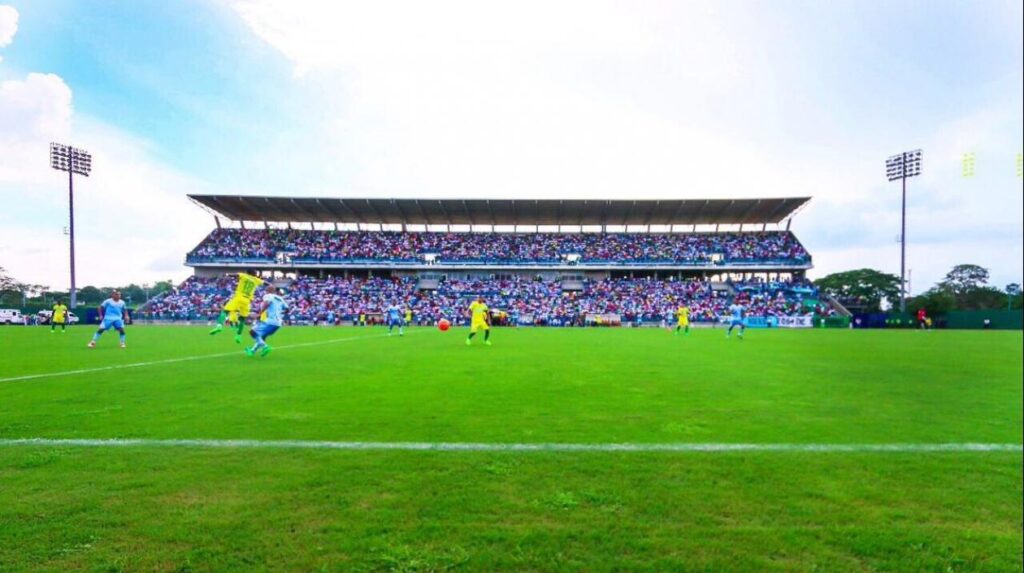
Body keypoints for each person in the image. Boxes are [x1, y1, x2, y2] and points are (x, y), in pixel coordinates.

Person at [210, 272, 265, 343]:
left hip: (238, 297)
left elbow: (235, 275)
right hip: (247, 301)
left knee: (225, 311)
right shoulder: (256, 280)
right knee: (242, 319)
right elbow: (266, 283)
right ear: (254, 273)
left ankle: (219, 326)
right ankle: (238, 336)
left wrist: (227, 274)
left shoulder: (244, 275)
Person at [246, 285, 287, 357]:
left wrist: (259, 314)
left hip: (270, 321)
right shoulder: (280, 298)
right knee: (262, 336)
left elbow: (267, 303)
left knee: (252, 332)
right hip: (278, 323)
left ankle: (265, 347)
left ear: (267, 291)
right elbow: (287, 309)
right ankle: (253, 350)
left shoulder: (268, 296)